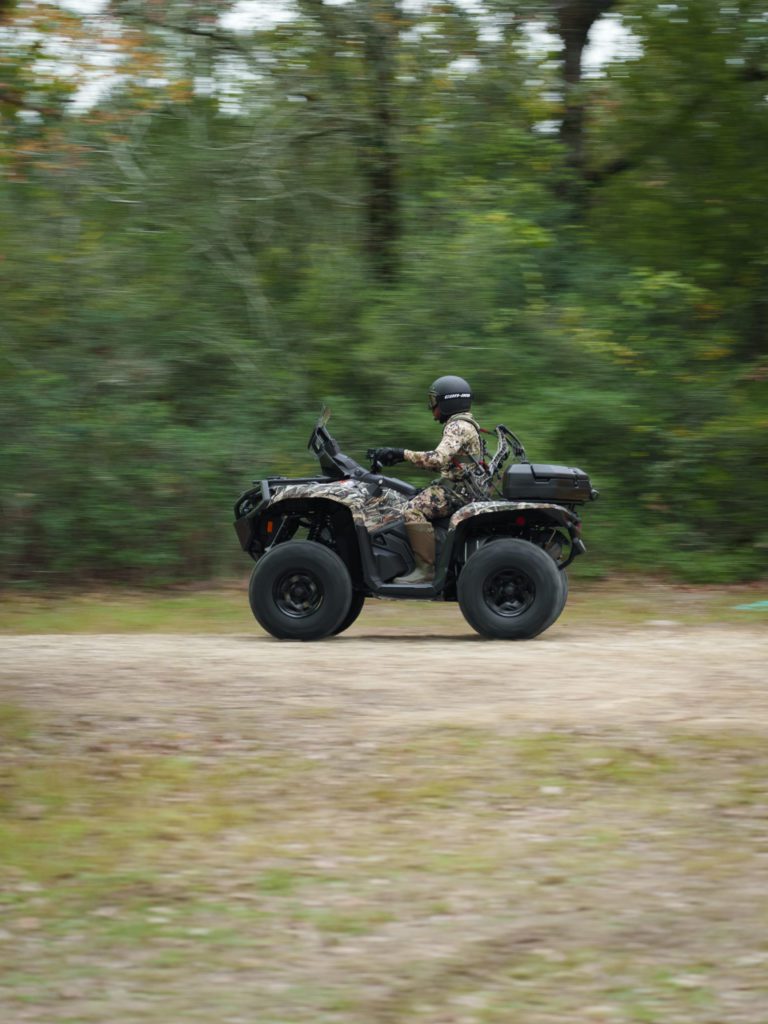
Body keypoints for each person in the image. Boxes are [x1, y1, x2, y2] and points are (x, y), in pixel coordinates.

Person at [372, 375, 485, 584]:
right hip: (460, 488)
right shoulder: (467, 424)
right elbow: (450, 464)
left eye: (434, 401)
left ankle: (425, 570)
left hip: (456, 493)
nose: (431, 407)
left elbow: (437, 459)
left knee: (411, 510)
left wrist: (400, 454)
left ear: (448, 401)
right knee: (409, 496)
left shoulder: (457, 426)